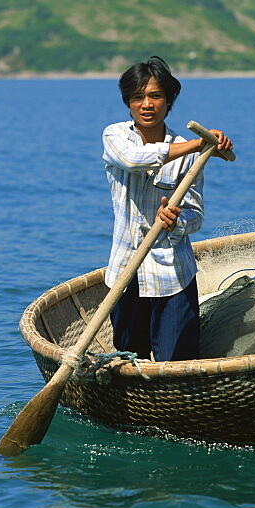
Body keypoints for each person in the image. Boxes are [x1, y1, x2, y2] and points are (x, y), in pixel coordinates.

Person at [102, 56, 232, 361]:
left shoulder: (190, 158)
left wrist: (177, 221)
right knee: (127, 359)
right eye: (138, 97)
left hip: (172, 275)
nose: (147, 104)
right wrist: (200, 144)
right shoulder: (116, 135)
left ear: (168, 100)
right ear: (128, 102)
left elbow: (196, 214)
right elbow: (135, 159)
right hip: (126, 271)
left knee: (177, 363)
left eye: (155, 96)